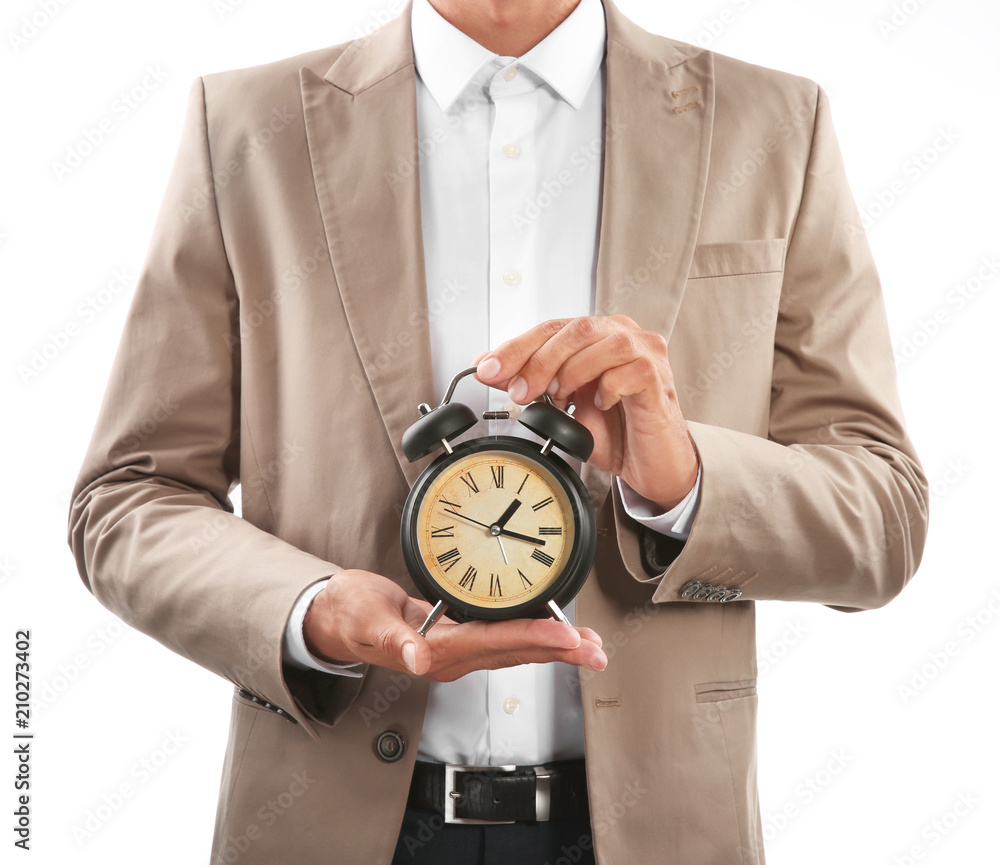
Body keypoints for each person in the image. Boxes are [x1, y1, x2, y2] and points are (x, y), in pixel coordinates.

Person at [66, 0, 929, 862]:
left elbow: (883, 517)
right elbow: (127, 497)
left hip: (663, 831)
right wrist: (312, 612)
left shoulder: (776, 122)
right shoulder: (247, 126)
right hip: (326, 825)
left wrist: (688, 479)